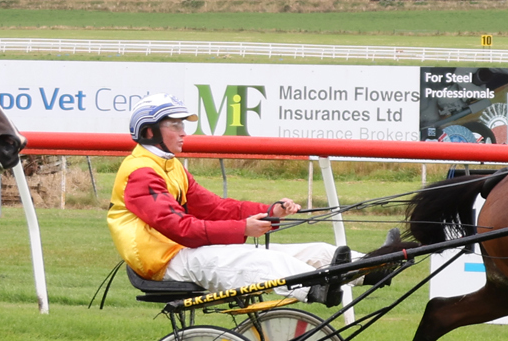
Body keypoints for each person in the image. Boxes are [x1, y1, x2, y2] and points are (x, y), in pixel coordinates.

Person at [107, 95, 400, 305]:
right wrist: (242, 229)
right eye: (175, 126)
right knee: (263, 260)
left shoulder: (170, 166)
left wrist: (269, 211)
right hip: (164, 263)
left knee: (315, 251)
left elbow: (216, 208)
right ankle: (317, 289)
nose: (184, 132)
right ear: (149, 131)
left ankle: (374, 266)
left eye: (183, 125)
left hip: (182, 253)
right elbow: (180, 229)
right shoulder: (141, 173)